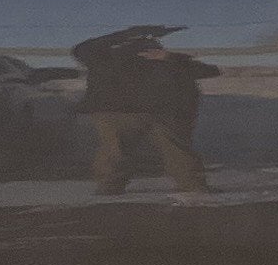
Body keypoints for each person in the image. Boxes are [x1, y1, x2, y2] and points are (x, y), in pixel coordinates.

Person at [71, 23, 214, 195]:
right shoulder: (164, 60)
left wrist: (126, 34)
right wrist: (169, 56)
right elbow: (207, 70)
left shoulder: (102, 56)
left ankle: (108, 188)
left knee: (115, 151)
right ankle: (193, 186)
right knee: (176, 150)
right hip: (154, 111)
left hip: (116, 112)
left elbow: (81, 49)